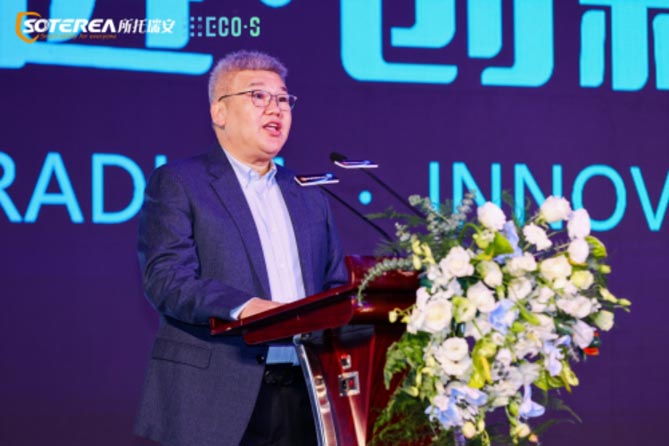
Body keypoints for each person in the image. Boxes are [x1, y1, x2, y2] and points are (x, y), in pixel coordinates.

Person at [134, 50, 348, 446]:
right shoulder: (180, 182)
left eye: (283, 98)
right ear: (220, 112)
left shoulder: (308, 195)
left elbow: (335, 285)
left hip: (305, 394)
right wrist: (245, 308)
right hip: (217, 395)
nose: (275, 108)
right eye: (258, 96)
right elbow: (166, 278)